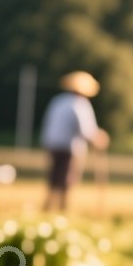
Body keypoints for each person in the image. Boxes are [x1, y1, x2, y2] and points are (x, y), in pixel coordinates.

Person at [41, 71, 109, 211]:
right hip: (69, 148)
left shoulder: (58, 101)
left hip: (52, 145)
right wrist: (99, 138)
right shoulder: (80, 105)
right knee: (67, 181)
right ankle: (62, 210)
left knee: (54, 180)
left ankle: (47, 208)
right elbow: (86, 130)